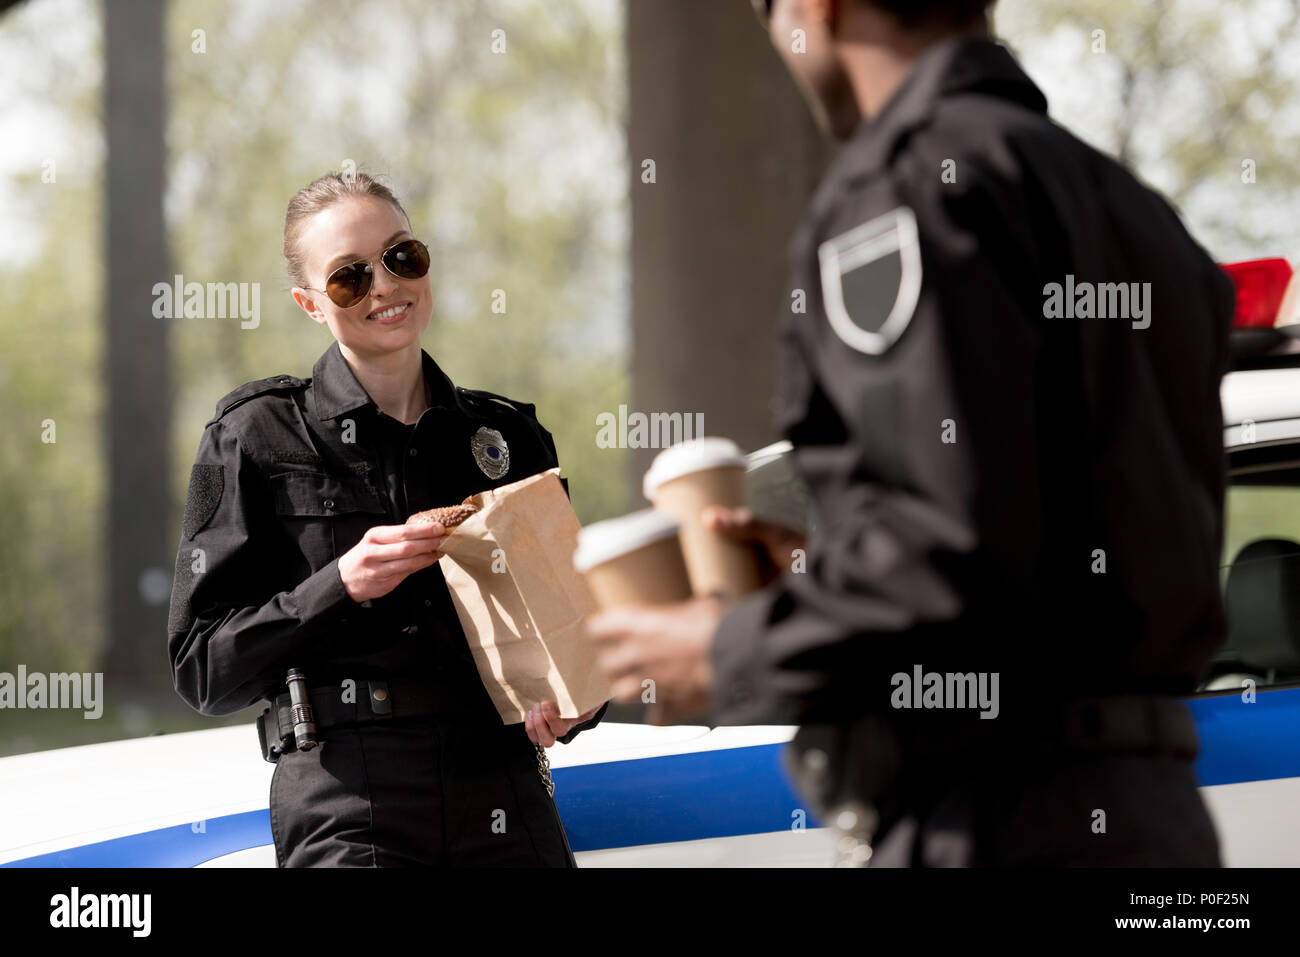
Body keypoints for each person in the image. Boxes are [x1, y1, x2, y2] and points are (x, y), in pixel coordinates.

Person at [587, 0, 1233, 866]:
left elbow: (944, 556)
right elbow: (1028, 528)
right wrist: (829, 567)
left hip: (998, 818)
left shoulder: (908, 187)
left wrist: (723, 647)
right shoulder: (1140, 213)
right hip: (1161, 823)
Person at [167, 171, 606, 867]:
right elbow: (202, 669)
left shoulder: (509, 437)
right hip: (348, 797)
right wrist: (340, 582)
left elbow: (579, 629)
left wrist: (578, 707)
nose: (385, 287)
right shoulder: (252, 436)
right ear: (309, 303)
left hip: (502, 785)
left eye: (402, 256)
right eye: (349, 277)